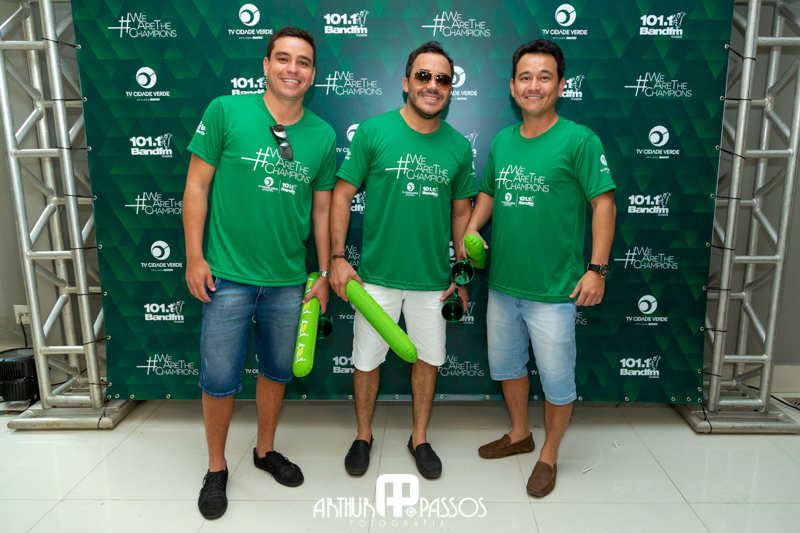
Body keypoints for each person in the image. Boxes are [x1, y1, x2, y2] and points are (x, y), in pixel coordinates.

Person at [183, 26, 336, 519]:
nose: (293, 69)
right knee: (219, 378)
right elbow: (196, 186)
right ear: (266, 65)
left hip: (288, 281)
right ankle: (216, 468)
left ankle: (265, 451)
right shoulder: (225, 111)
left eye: (304, 62)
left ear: (313, 74)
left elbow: (322, 210)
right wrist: (194, 256)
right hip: (226, 276)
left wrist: (322, 271)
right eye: (284, 59)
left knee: (276, 370)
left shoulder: (323, 135)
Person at [465, 39, 616, 497]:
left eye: (544, 77)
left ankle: (548, 454)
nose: (534, 86)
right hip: (503, 285)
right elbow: (489, 192)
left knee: (556, 381)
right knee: (509, 367)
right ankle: (519, 434)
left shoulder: (580, 140)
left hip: (555, 292)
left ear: (560, 85)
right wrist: (470, 231)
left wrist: (597, 269)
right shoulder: (502, 141)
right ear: (513, 87)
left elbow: (604, 204)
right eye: (526, 77)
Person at [329, 41, 476, 480]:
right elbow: (341, 195)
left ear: (450, 89)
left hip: (433, 282)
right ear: (406, 82)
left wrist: (461, 274)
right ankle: (363, 435)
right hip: (376, 278)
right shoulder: (374, 132)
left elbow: (462, 215)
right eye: (424, 76)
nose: (433, 85)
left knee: (428, 359)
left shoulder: (458, 147)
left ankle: (419, 437)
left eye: (442, 79)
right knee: (365, 361)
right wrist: (337, 257)